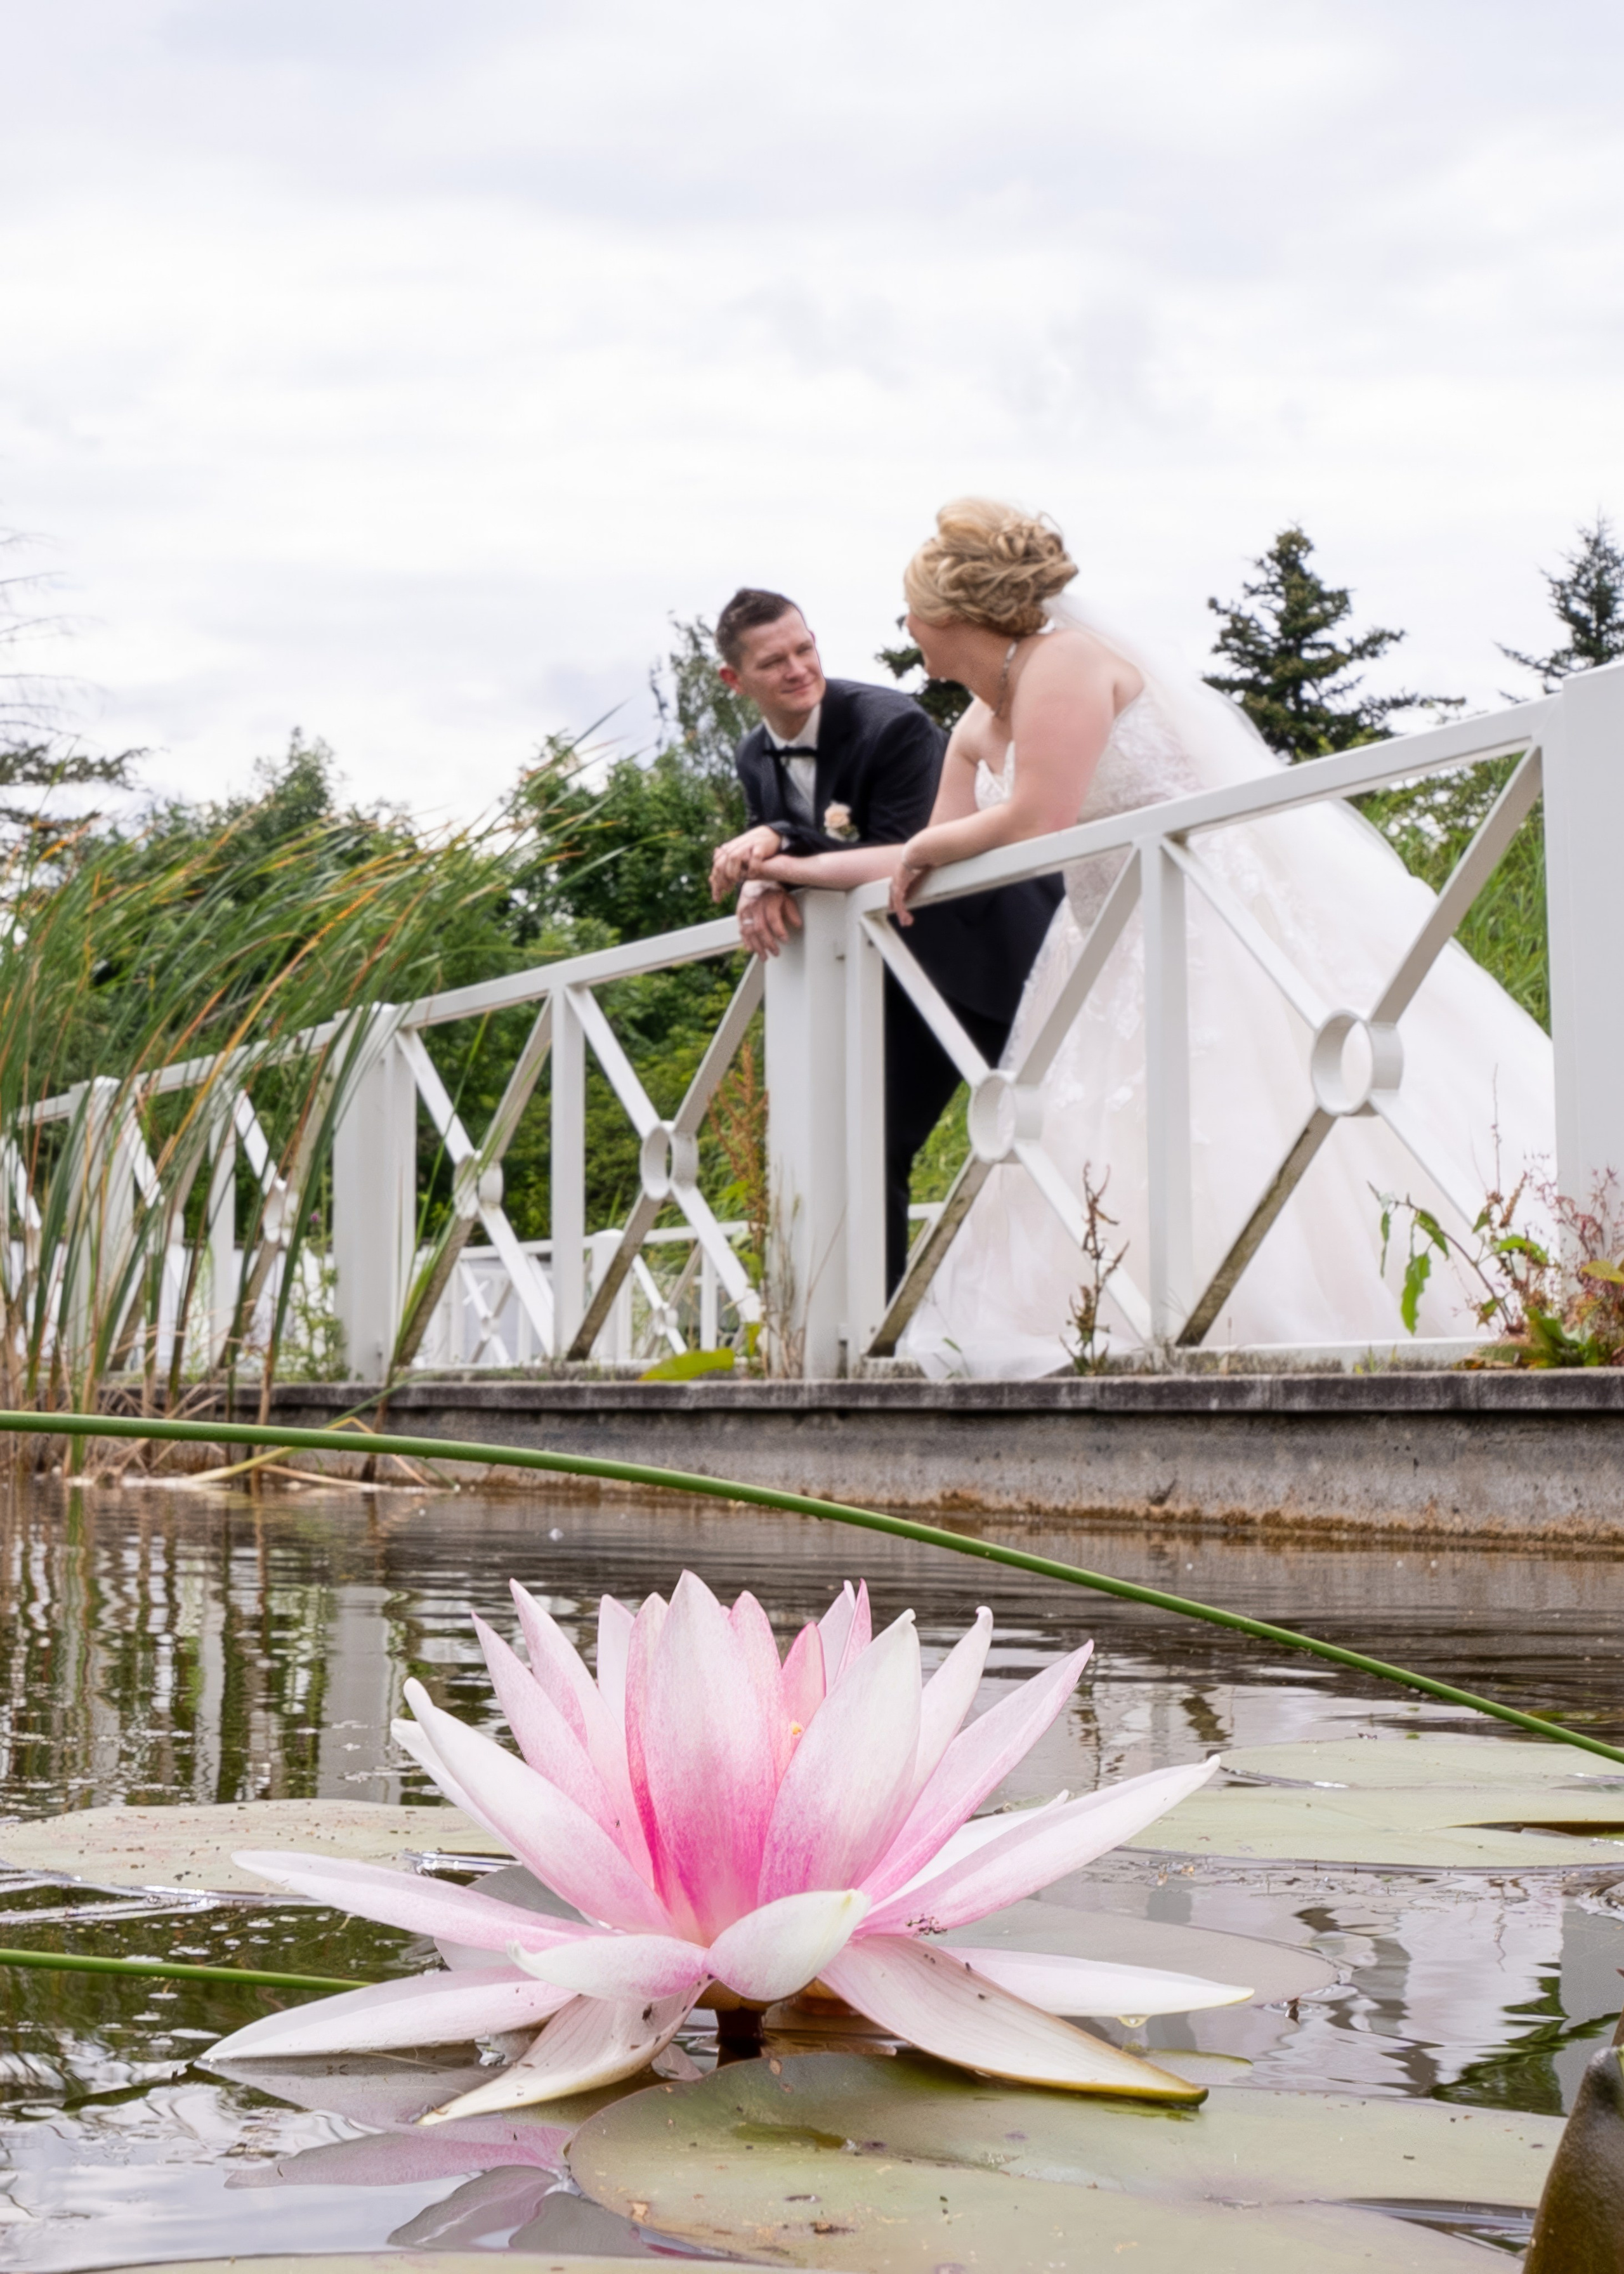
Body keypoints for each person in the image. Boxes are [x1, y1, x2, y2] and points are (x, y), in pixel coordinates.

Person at [884, 500, 1555, 1375]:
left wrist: (933, 845)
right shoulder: (975, 723)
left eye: (908, 615)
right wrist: (784, 869)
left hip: (1205, 918)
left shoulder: (1065, 661)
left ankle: (1301, 1319)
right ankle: (1141, 1320)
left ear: (943, 616)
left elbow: (1038, 815)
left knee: (1255, 1106)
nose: (905, 632)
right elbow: (924, 858)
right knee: (1118, 1137)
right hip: (1105, 944)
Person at [706, 588, 1061, 1293]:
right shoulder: (753, 755)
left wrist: (772, 854)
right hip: (897, 979)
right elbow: (781, 857)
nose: (799, 668)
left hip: (995, 953)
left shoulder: (889, 723)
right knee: (872, 1144)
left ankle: (1099, 1309)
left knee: (1047, 1129)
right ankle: (879, 1333)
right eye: (774, 661)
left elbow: (909, 852)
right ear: (734, 680)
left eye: (805, 648)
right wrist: (758, 883)